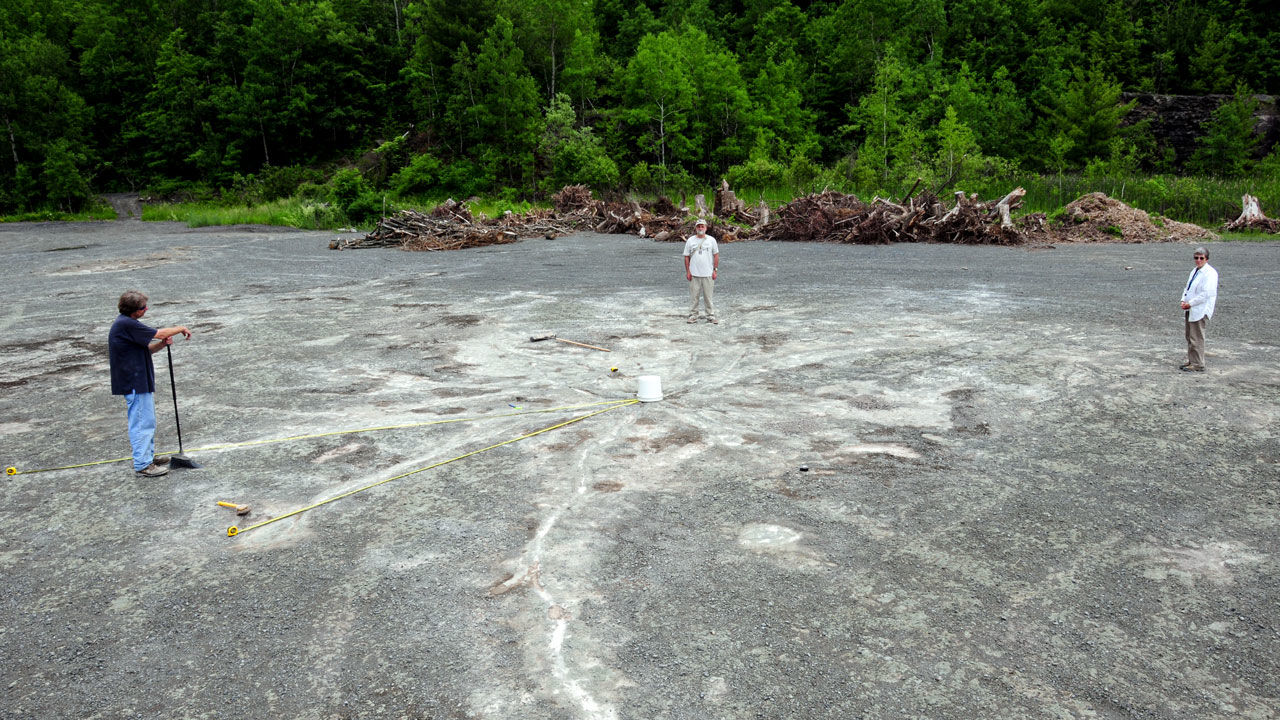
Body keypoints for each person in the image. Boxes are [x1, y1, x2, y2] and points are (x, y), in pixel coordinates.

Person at [108, 290, 192, 476]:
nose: (146, 309)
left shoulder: (129, 324)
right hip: (134, 381)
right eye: (143, 307)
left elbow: (146, 350)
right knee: (141, 422)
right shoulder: (127, 324)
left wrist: (162, 345)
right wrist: (180, 328)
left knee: (147, 420)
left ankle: (147, 456)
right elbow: (159, 333)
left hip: (139, 380)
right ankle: (143, 464)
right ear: (135, 311)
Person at [1179, 246, 1218, 372]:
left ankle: (1198, 363)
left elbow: (1206, 294)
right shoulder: (1195, 270)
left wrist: (1191, 303)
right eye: (1196, 258)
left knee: (1197, 337)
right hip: (1190, 307)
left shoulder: (1210, 273)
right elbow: (1188, 287)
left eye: (1201, 258)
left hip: (1199, 308)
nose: (1198, 260)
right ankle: (1192, 360)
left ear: (1206, 259)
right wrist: (1183, 300)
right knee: (1189, 335)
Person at [683, 218, 720, 324]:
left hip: (708, 273)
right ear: (696, 228)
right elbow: (686, 257)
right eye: (698, 226)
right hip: (694, 273)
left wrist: (715, 270)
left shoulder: (711, 240)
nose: (700, 228)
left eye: (702, 226)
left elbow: (716, 255)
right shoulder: (690, 240)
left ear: (706, 228)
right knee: (694, 296)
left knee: (708, 296)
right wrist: (688, 271)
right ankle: (693, 315)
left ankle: (710, 315)